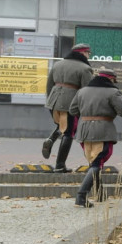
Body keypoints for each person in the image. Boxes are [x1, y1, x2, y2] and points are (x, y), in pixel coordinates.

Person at [69, 67, 122, 208]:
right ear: (111, 79)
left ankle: (100, 194)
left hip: (84, 131)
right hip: (103, 130)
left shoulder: (82, 91)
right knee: (97, 162)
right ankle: (81, 196)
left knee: (94, 162)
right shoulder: (113, 92)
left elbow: (72, 110)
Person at [42, 43, 94, 172]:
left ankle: (51, 139)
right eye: (88, 53)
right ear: (82, 53)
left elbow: (49, 85)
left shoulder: (58, 64)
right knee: (69, 133)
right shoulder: (85, 68)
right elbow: (86, 91)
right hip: (70, 104)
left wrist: (50, 101)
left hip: (53, 102)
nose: (88, 55)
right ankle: (60, 165)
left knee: (62, 126)